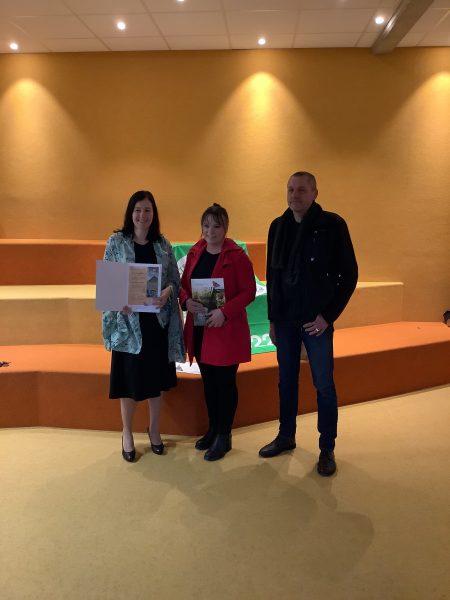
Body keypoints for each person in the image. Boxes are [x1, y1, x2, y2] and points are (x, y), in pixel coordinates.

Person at [259, 172, 358, 476]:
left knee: (324, 385)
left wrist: (327, 316)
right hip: (285, 320)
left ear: (315, 193)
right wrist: (272, 319)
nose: (295, 195)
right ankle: (286, 436)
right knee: (286, 381)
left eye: (302, 190)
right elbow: (272, 277)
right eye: (290, 189)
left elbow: (349, 275)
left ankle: (327, 447)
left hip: (317, 322)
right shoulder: (277, 227)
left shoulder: (333, 225)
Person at [102, 190, 185, 462]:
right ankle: (126, 432)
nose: (142, 215)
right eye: (138, 209)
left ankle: (154, 428)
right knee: (129, 381)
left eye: (147, 210)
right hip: (128, 325)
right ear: (131, 212)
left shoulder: (163, 244)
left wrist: (167, 292)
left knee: (156, 380)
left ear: (154, 214)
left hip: (156, 323)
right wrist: (119, 301)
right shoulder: (116, 242)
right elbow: (108, 283)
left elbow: (174, 280)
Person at [179, 203, 256, 461]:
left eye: (216, 226)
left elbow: (249, 291)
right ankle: (213, 428)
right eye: (206, 225)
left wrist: (225, 311)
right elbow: (183, 286)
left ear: (226, 228)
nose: (210, 231)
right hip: (200, 329)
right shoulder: (195, 252)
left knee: (224, 384)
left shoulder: (237, 256)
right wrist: (186, 301)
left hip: (225, 330)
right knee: (209, 383)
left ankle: (224, 434)